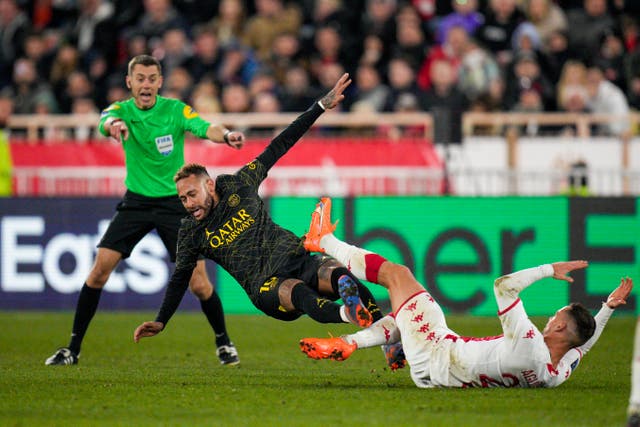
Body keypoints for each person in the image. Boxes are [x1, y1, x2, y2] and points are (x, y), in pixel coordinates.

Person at [133, 74, 401, 370]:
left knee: (341, 277)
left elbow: (280, 144)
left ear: (209, 185)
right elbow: (180, 278)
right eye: (183, 199)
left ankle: (386, 341)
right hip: (266, 286)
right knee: (300, 294)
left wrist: (320, 107)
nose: (188, 204)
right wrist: (160, 321)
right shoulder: (192, 231)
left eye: (192, 195)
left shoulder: (240, 184)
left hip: (296, 258)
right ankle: (347, 316)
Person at [300, 197, 633, 388]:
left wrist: (549, 269)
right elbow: (582, 348)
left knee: (397, 276)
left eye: (555, 317)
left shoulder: (530, 342)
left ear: (560, 328)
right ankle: (351, 342)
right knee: (406, 317)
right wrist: (608, 308)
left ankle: (323, 240)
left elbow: (503, 286)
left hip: (438, 354)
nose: (550, 318)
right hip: (439, 369)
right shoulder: (553, 374)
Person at [45, 54, 246, 366]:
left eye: (152, 79)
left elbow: (205, 126)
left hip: (175, 205)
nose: (146, 84)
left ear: (160, 82)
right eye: (140, 78)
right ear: (130, 82)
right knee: (99, 271)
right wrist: (113, 126)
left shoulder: (175, 110)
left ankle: (224, 342)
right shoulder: (121, 111)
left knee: (199, 282)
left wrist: (228, 136)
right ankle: (72, 349)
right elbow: (104, 119)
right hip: (136, 202)